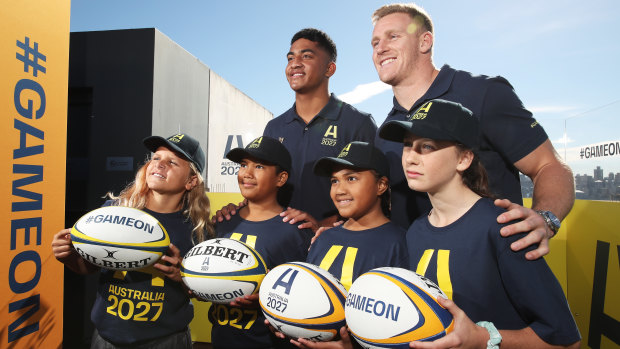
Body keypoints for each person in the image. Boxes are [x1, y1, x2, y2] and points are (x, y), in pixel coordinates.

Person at [370, 3, 575, 259]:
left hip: (490, 277)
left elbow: (549, 166)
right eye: (375, 42)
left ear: (424, 42)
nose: (380, 48)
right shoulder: (386, 131)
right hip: (415, 285)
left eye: (393, 36)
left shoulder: (484, 94)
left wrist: (545, 219)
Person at [379, 99, 580, 349]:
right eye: (408, 145)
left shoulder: (504, 228)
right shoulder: (416, 231)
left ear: (463, 159)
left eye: (427, 146)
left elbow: (565, 341)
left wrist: (482, 338)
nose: (410, 158)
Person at [52, 133, 213, 348]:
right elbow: (89, 267)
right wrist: (69, 256)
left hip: (166, 341)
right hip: (107, 338)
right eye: (156, 158)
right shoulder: (114, 211)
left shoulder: (198, 230)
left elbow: (205, 293)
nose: (160, 164)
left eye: (172, 162)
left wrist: (182, 277)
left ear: (191, 181)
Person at [217, 28, 377, 230]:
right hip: (279, 240)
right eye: (290, 58)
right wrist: (239, 211)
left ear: (330, 69)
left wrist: (325, 225)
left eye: (307, 56)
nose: (295, 64)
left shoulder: (357, 124)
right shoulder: (275, 127)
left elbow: (376, 194)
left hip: (333, 244)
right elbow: (265, 191)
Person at [269, 141, 409, 349]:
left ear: (381, 185)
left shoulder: (400, 243)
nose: (340, 190)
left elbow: (400, 324)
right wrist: (284, 320)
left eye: (351, 178)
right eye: (334, 181)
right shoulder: (323, 238)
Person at [210, 136, 313, 349]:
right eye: (243, 165)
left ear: (281, 178)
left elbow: (306, 297)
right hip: (221, 340)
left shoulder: (295, 230)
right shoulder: (222, 222)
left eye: (259, 166)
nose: (247, 173)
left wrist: (267, 296)